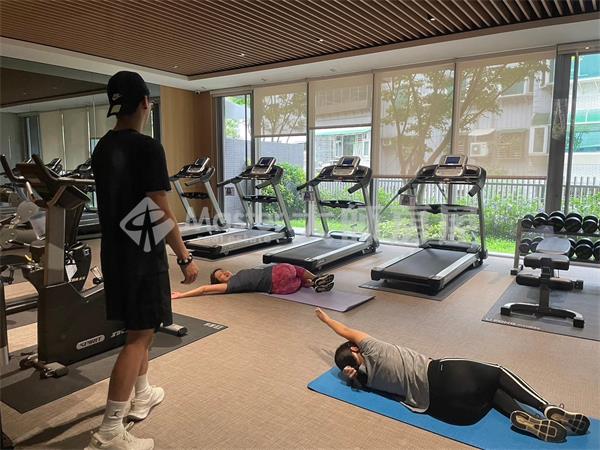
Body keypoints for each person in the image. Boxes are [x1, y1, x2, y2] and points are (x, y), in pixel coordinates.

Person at [87, 71, 199, 450]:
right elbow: (160, 208)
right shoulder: (148, 147)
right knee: (138, 338)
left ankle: (143, 392)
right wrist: (184, 256)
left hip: (115, 251)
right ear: (145, 104)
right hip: (142, 252)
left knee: (142, 329)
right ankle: (109, 432)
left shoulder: (102, 148)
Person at [315, 308, 590, 443]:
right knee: (497, 373)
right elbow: (345, 330)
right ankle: (545, 407)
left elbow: (354, 375)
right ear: (356, 349)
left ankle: (518, 416)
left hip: (452, 414)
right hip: (443, 376)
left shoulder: (365, 382)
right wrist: (326, 320)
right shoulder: (372, 348)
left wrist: (352, 378)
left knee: (489, 391)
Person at [171, 263, 334, 299]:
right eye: (221, 275)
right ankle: (316, 279)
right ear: (220, 282)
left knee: (298, 280)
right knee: (295, 270)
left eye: (223, 271)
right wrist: (182, 295)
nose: (225, 273)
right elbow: (205, 289)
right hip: (277, 274)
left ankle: (315, 284)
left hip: (281, 289)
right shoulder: (230, 285)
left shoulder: (235, 280)